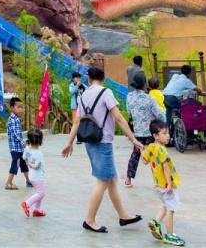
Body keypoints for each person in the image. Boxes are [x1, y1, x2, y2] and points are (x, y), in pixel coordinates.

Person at [61, 66, 144, 234]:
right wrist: (134, 139)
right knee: (103, 180)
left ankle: (123, 216)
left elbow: (77, 122)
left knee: (111, 179)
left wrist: (69, 142)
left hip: (89, 141)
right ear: (103, 78)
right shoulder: (106, 93)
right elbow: (119, 118)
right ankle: (89, 220)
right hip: (103, 142)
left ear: (89, 78)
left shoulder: (83, 95)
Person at [143, 119, 186, 246]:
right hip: (166, 185)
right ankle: (170, 235)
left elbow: (145, 161)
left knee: (165, 204)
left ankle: (155, 222)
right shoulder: (162, 150)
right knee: (171, 209)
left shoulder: (151, 147)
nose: (168, 136)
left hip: (158, 185)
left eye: (168, 133)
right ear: (156, 136)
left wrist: (141, 150)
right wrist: (169, 184)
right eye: (164, 133)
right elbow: (166, 167)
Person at [124, 72, 164, 187]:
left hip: (137, 132)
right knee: (155, 155)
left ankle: (128, 179)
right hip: (150, 132)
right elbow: (159, 115)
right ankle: (159, 181)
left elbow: (129, 111)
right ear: (144, 84)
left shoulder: (129, 97)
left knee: (135, 155)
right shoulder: (149, 99)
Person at [162, 65, 201, 134]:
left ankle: (168, 132)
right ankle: (188, 129)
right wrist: (200, 92)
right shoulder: (187, 81)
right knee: (186, 109)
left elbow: (176, 87)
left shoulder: (175, 76)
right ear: (189, 73)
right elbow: (198, 90)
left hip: (165, 97)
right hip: (173, 99)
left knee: (168, 114)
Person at [4, 97, 32, 190]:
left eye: (21, 107)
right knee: (15, 163)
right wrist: (23, 142)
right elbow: (16, 134)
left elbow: (18, 133)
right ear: (12, 108)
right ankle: (9, 183)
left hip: (19, 147)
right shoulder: (13, 119)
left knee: (23, 164)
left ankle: (28, 181)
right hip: (15, 148)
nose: (21, 109)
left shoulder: (16, 118)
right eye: (18, 107)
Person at [21, 127, 47, 218]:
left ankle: (37, 210)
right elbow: (36, 166)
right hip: (37, 176)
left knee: (39, 192)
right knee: (41, 193)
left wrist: (28, 162)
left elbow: (24, 157)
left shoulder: (27, 149)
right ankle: (27, 203)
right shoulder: (39, 153)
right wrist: (31, 164)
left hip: (32, 176)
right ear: (40, 141)